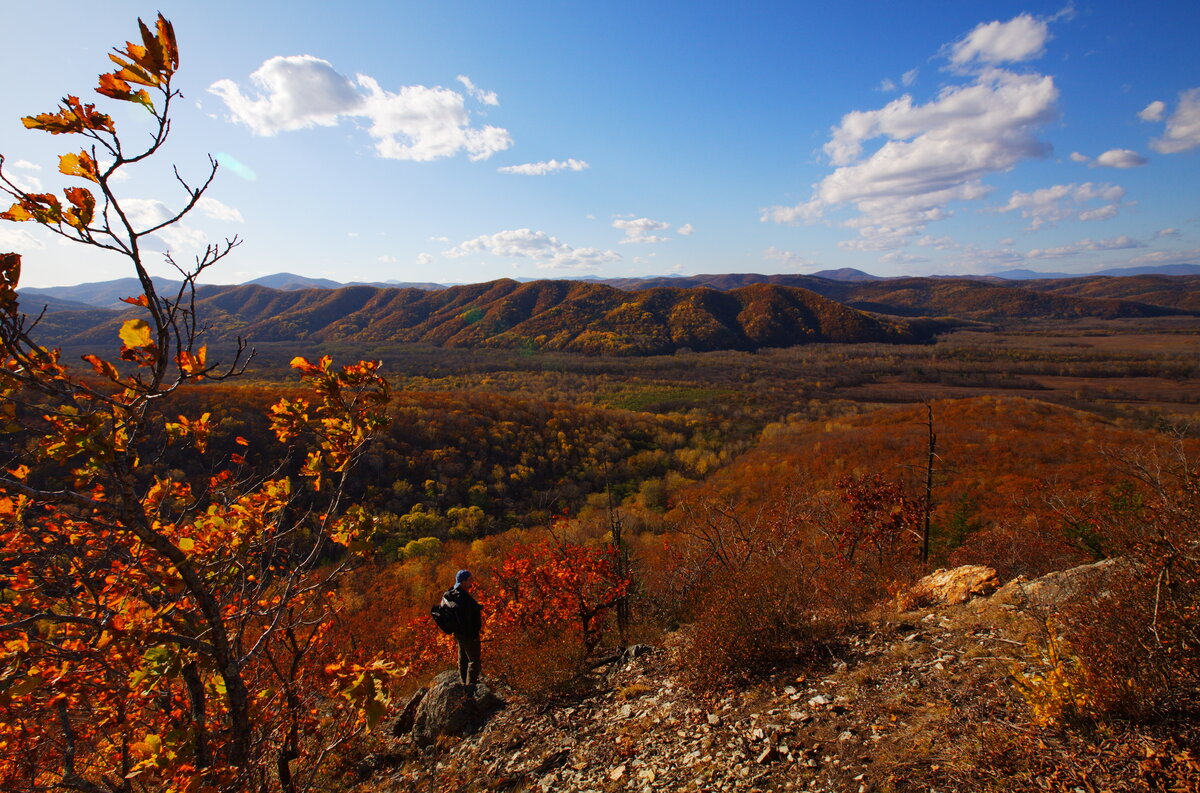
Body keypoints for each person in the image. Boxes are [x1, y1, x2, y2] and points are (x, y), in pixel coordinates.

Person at [444, 569, 483, 695]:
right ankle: (469, 690)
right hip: (468, 634)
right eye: (470, 579)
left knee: (463, 659)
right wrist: (473, 635)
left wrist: (476, 607)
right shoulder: (463, 597)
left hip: (459, 633)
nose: (472, 581)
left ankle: (463, 685)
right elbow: (465, 618)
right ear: (464, 581)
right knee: (474, 661)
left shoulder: (454, 593)